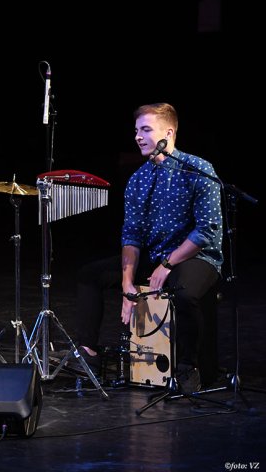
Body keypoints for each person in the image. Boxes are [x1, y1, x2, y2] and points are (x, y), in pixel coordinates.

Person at [74, 102, 223, 392]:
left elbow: (206, 230)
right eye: (136, 131)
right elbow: (132, 235)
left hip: (196, 256)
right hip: (155, 256)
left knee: (185, 290)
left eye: (146, 130)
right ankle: (87, 355)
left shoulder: (198, 170)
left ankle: (186, 368)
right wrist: (127, 282)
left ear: (169, 132)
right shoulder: (138, 178)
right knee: (90, 274)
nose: (138, 137)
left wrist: (167, 264)